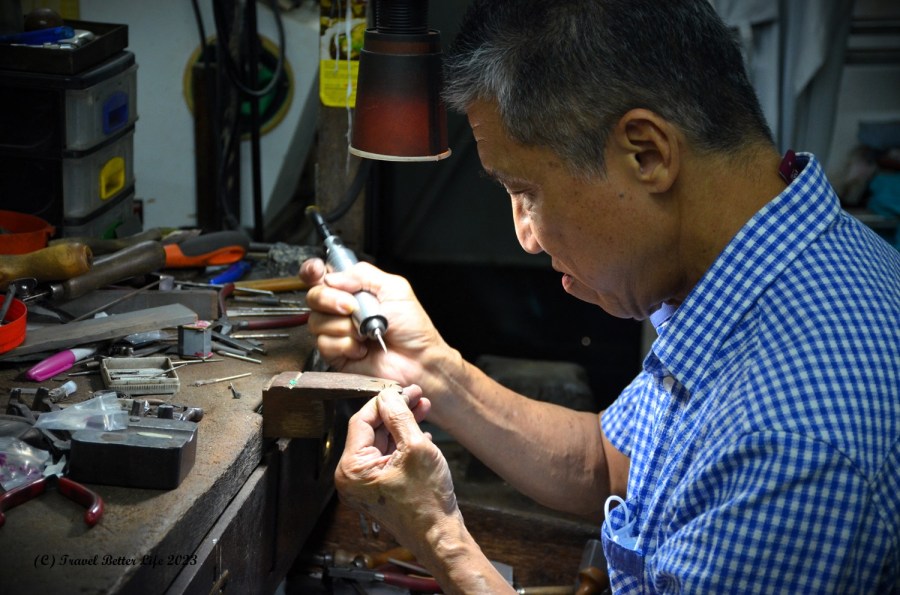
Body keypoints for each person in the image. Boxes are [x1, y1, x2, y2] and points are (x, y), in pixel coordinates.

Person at [299, 1, 900, 592]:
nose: (525, 236)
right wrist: (432, 369)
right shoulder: (773, 279)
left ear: (647, 153)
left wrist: (439, 538)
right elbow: (608, 466)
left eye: (525, 190)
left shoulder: (792, 441)